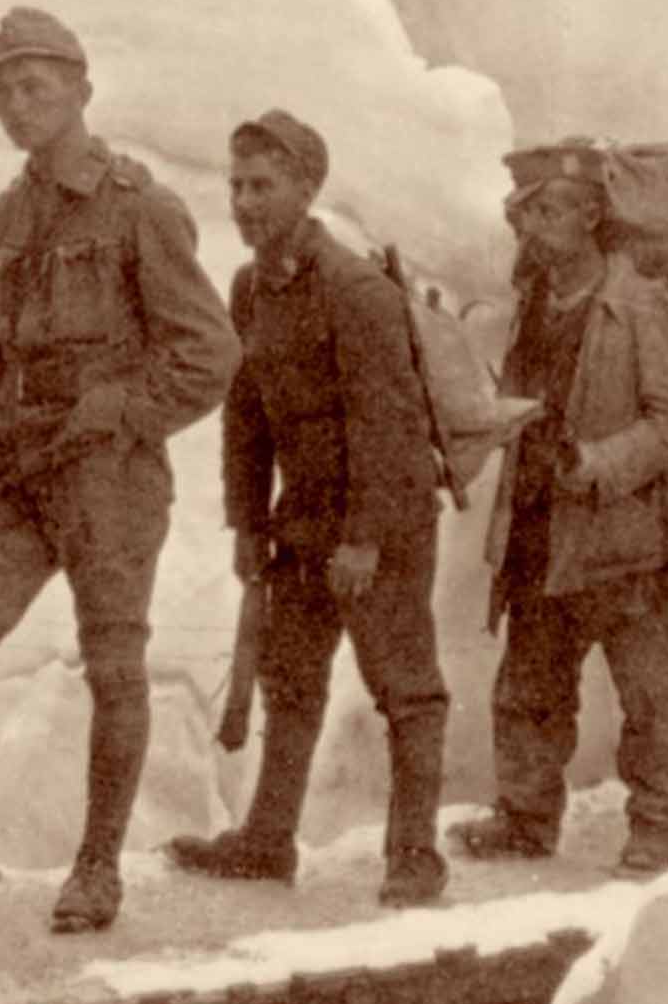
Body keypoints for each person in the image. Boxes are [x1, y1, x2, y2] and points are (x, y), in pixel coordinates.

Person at [0, 7, 240, 932]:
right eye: (1, 91)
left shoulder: (140, 208)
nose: (17, 105)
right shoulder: (7, 214)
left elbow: (209, 355)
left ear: (81, 90)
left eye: (34, 86)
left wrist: (114, 409)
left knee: (115, 668)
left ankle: (99, 868)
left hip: (109, 479)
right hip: (17, 477)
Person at [164, 111, 452, 908]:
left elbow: (388, 429)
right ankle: (267, 839)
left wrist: (363, 540)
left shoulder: (357, 289)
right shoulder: (252, 287)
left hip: (382, 522)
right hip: (301, 523)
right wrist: (247, 524)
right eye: (237, 185)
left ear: (307, 188)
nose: (247, 202)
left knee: (406, 690)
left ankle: (415, 855)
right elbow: (246, 415)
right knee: (290, 682)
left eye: (264, 185)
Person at [449, 139, 668, 879]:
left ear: (593, 214)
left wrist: (595, 464)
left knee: (648, 694)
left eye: (551, 209)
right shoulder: (534, 303)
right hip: (538, 530)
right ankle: (527, 819)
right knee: (529, 687)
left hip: (621, 539)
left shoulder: (641, 307)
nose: (535, 226)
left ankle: (657, 828)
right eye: (527, 212)